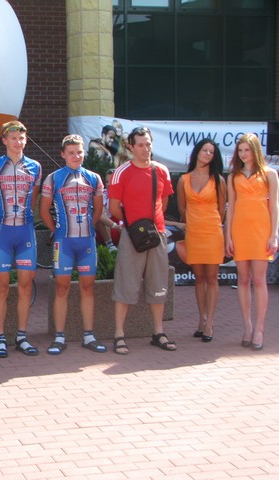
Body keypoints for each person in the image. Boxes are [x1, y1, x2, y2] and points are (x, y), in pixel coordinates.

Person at [108, 126, 176, 354]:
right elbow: (114, 208)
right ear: (131, 147)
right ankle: (119, 334)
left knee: (158, 286)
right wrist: (133, 226)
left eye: (148, 144)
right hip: (132, 237)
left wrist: (151, 226)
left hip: (157, 235)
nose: (145, 149)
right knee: (125, 285)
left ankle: (158, 332)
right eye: (140, 145)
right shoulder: (122, 172)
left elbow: (163, 203)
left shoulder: (161, 170)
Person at [40, 134, 107, 355]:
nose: (76, 156)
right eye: (71, 153)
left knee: (88, 287)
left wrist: (89, 228)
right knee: (62, 288)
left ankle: (89, 335)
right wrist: (57, 231)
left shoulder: (94, 178)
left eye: (79, 152)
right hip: (64, 242)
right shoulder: (53, 178)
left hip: (86, 241)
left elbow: (98, 210)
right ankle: (59, 336)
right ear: (63, 154)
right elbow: (44, 210)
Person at [0, 120, 42, 358]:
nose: (18, 142)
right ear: (5, 140)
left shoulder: (35, 167)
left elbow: (34, 200)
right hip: (2, 231)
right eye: (13, 138)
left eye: (21, 138)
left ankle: (22, 336)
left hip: (25, 231)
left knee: (26, 285)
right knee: (1, 286)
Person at [225, 133, 278, 351]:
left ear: (255, 150)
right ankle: (247, 326)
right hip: (239, 231)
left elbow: (274, 206)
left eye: (247, 150)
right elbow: (231, 208)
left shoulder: (270, 174)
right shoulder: (233, 176)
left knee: (259, 279)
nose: (243, 154)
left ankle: (259, 329)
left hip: (261, 230)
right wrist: (228, 236)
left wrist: (274, 234)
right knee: (243, 279)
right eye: (240, 150)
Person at [177, 139, 226, 343]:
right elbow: (182, 209)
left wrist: (209, 222)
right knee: (198, 278)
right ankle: (201, 319)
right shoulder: (184, 179)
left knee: (212, 278)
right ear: (197, 152)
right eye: (205, 150)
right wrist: (193, 222)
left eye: (211, 152)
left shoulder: (219, 180)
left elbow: (222, 210)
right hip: (194, 232)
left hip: (212, 231)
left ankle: (210, 323)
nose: (207, 154)